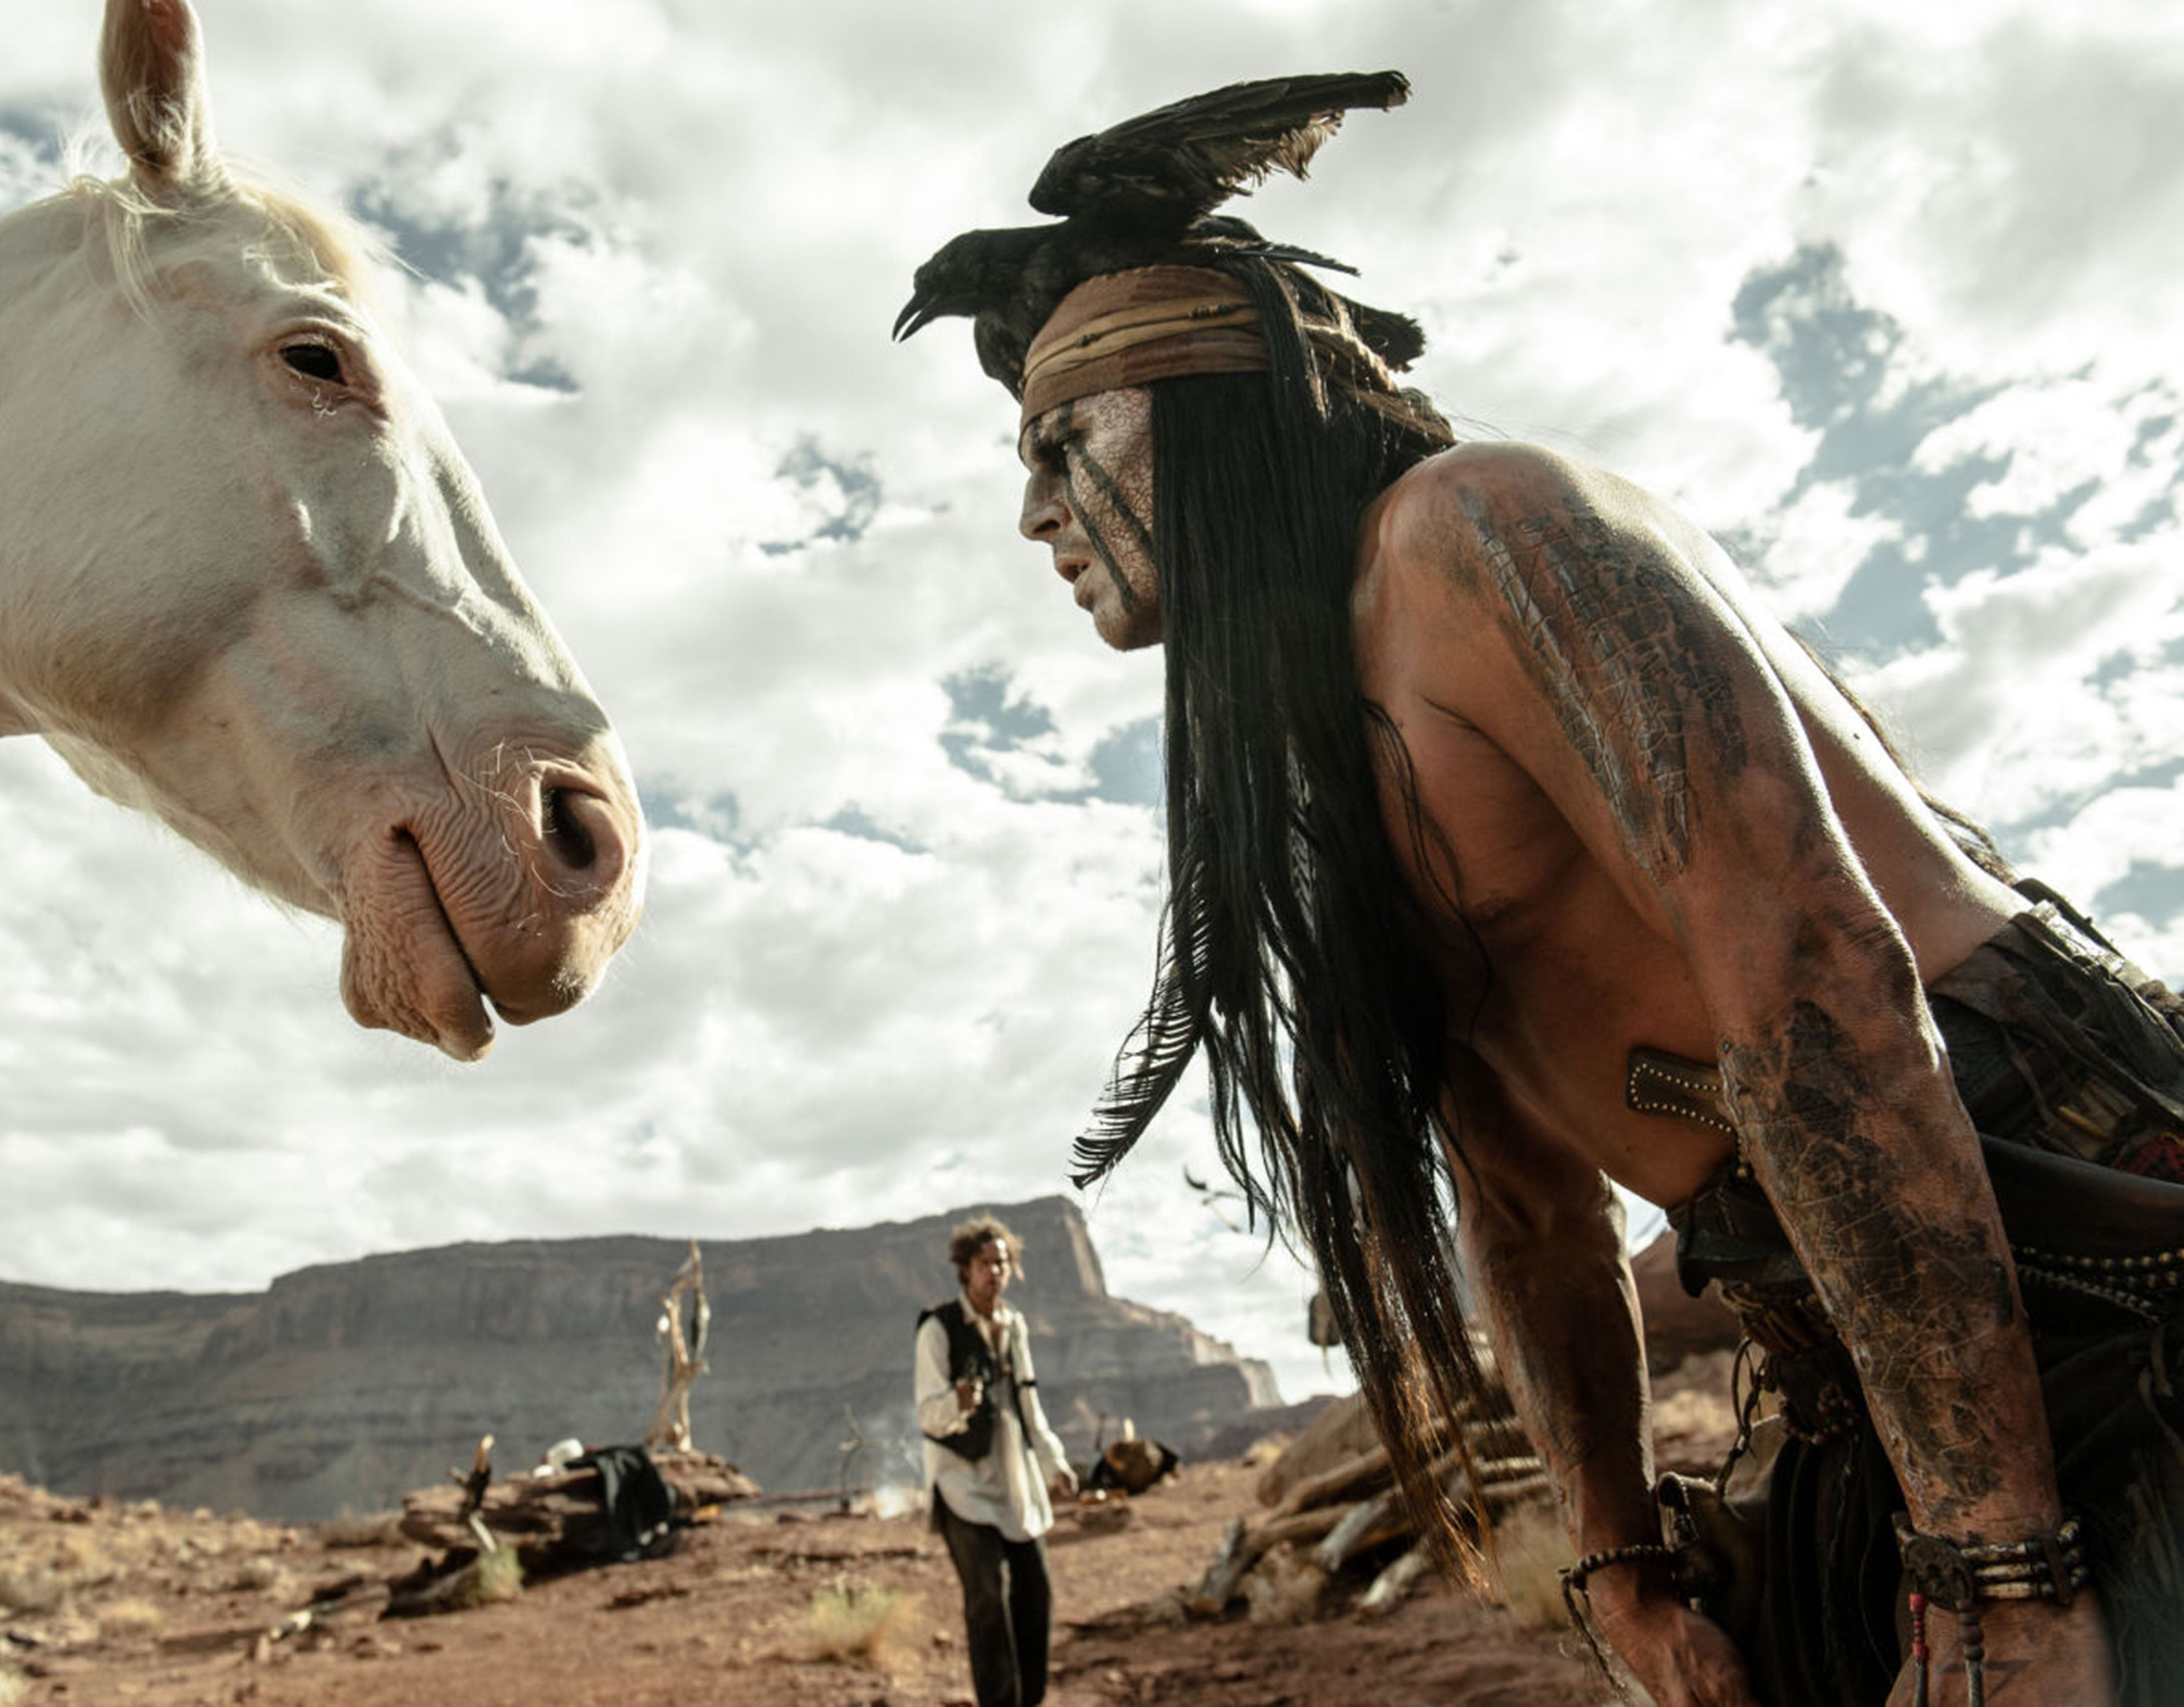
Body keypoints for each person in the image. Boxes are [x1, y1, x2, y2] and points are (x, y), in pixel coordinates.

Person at [898, 77, 2184, 1707]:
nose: (1032, 510)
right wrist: (1620, 1565)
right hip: (1824, 1298)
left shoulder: (1477, 534)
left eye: (1062, 438)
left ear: (1209, 401)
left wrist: (2000, 1561)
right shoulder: (1320, 760)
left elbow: (1814, 971)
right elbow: (1525, 1204)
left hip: (2059, 1183)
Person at [916, 1215, 1079, 1707]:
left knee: (1036, 1595)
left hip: (1015, 1483)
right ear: (965, 1269)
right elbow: (928, 1411)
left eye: (1002, 1263)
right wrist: (959, 1403)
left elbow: (1028, 1403)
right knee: (988, 1599)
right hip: (963, 1487)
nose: (994, 1272)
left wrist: (1054, 1463)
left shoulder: (1014, 1326)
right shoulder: (938, 1327)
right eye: (985, 1263)